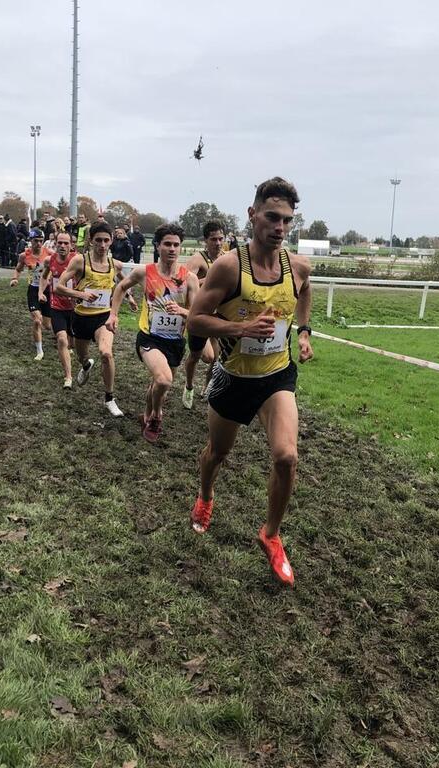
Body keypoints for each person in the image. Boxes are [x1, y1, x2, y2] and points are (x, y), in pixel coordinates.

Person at [186, 177, 314, 586]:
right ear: (252, 214)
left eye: (287, 221)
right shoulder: (228, 266)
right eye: (272, 217)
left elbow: (306, 290)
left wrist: (305, 331)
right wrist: (237, 329)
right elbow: (196, 320)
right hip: (233, 377)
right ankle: (206, 496)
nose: (279, 227)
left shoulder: (297, 266)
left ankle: (271, 535)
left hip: (276, 376)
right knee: (217, 455)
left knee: (286, 456)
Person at [109, 223, 198, 442]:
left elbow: (196, 314)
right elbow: (120, 287)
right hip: (149, 337)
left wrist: (182, 310)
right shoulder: (144, 272)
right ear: (157, 246)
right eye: (167, 244)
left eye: (176, 245)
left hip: (175, 341)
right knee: (164, 380)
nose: (172, 249)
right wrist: (113, 314)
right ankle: (157, 416)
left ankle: (147, 415)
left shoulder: (190, 279)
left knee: (159, 385)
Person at [55, 222, 125, 416]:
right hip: (81, 317)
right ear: (91, 241)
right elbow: (58, 287)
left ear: (111, 241)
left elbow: (123, 284)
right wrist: (81, 295)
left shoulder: (115, 264)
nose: (102, 245)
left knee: (106, 353)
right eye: (98, 240)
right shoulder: (80, 261)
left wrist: (131, 299)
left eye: (106, 240)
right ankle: (86, 365)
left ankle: (110, 398)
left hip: (103, 316)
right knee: (82, 356)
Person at [181, 221, 226, 408]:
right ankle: (189, 386)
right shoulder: (198, 259)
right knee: (199, 356)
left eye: (221, 239)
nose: (218, 243)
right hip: (200, 316)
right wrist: (208, 280)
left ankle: (207, 387)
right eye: (213, 239)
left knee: (216, 359)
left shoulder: (227, 258)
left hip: (220, 315)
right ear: (205, 241)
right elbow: (183, 282)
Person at [38, 231, 76, 388]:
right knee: (61, 339)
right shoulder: (50, 260)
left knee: (74, 344)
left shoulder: (77, 260)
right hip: (57, 306)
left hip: (76, 308)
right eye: (59, 243)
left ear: (71, 245)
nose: (62, 246)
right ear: (55, 243)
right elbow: (44, 276)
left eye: (66, 243)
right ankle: (68, 377)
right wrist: (41, 291)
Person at [10, 228, 52, 361]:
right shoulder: (24, 255)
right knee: (36, 320)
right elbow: (18, 269)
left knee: (47, 325)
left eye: (41, 241)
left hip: (48, 290)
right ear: (30, 241)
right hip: (33, 290)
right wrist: (15, 278)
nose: (39, 244)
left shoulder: (50, 254)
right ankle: (39, 351)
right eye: (36, 241)